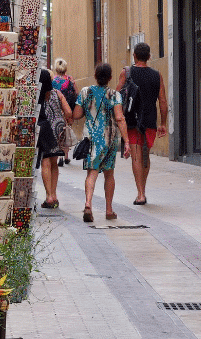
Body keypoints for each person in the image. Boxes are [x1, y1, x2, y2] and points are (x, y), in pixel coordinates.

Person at [72, 62, 130, 222]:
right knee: (109, 174)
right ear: (110, 78)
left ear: (95, 76)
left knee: (92, 172)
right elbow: (119, 118)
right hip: (109, 139)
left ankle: (88, 203)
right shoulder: (115, 95)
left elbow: (76, 115)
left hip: (90, 139)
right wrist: (127, 141)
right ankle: (109, 210)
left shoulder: (85, 92)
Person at [115, 42, 168, 205]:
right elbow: (163, 101)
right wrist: (163, 123)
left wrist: (117, 117)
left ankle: (140, 193)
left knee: (136, 156)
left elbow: (116, 95)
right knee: (145, 154)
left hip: (132, 119)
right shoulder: (156, 75)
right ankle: (142, 190)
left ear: (135, 56)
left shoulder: (127, 73)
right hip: (150, 119)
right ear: (149, 56)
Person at [37, 68, 73, 209]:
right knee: (54, 163)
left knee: (45, 163)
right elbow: (69, 111)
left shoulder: (37, 96)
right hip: (58, 129)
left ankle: (48, 197)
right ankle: (54, 195)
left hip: (45, 129)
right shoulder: (57, 93)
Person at [52, 58, 78, 166]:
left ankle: (60, 157)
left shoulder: (53, 81)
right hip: (68, 110)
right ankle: (66, 156)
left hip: (57, 110)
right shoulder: (70, 81)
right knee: (67, 131)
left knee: (59, 132)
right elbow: (76, 93)